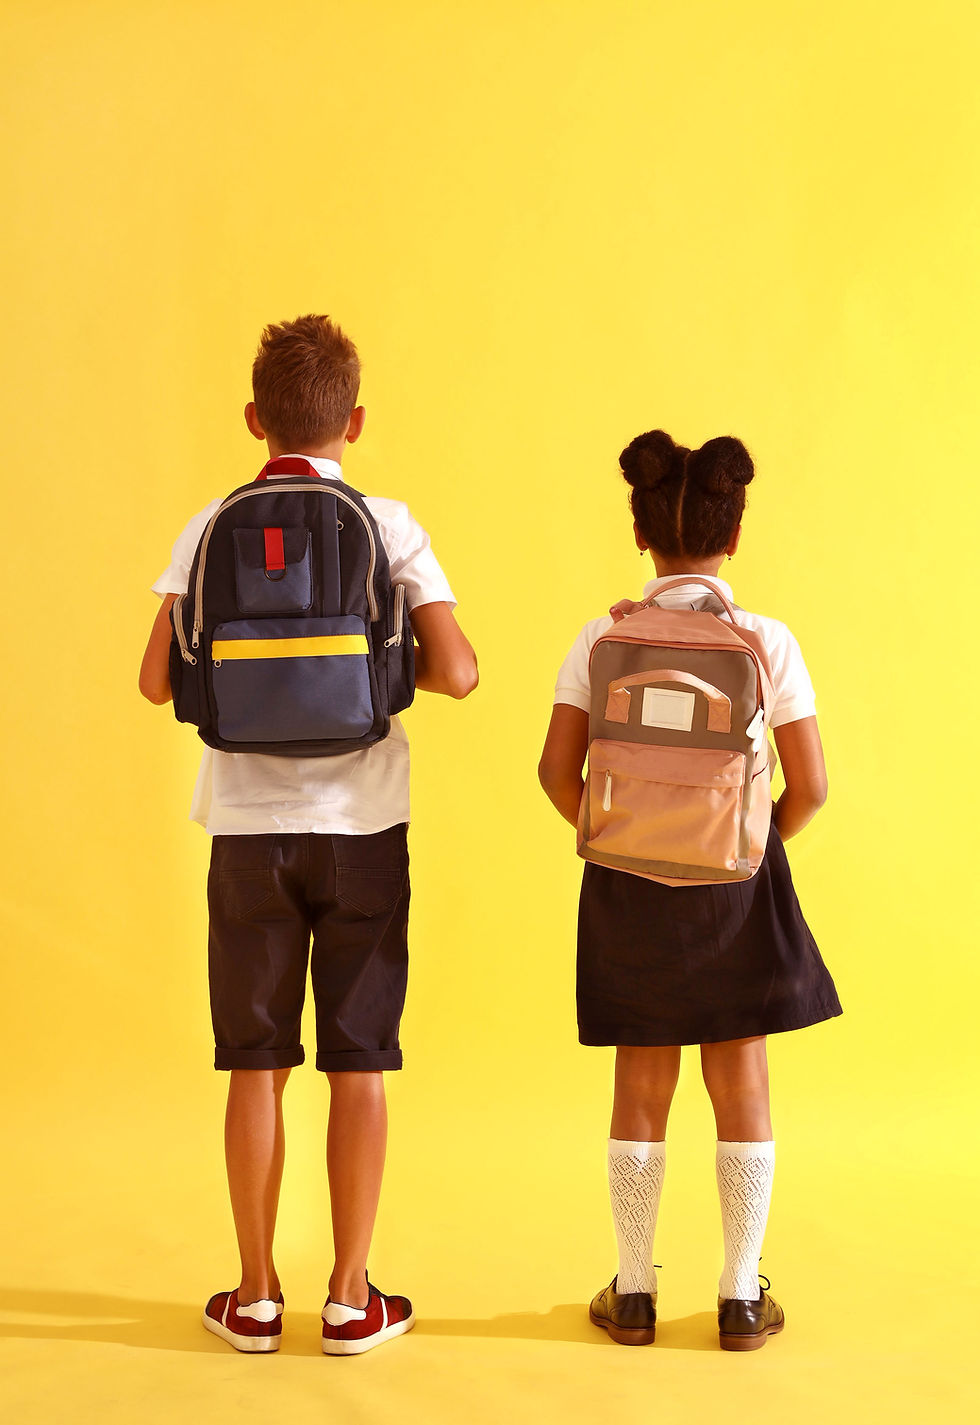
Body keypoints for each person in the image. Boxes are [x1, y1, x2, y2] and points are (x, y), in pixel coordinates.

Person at [139, 314, 478, 1356]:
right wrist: (364, 679)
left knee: (256, 1062)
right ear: (355, 420)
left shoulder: (207, 526)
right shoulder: (389, 522)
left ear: (254, 418)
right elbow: (458, 670)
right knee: (357, 1060)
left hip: (244, 828)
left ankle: (250, 1297)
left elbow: (156, 681)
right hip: (363, 823)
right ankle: (347, 1297)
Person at [538, 429, 840, 1351]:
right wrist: (747, 846)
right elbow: (813, 786)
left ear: (643, 537)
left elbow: (556, 773)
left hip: (627, 883)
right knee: (738, 1078)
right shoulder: (766, 641)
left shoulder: (602, 637)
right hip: (734, 886)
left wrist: (624, 838)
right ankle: (741, 1295)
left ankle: (633, 1294)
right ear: (732, 537)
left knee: (642, 1082)